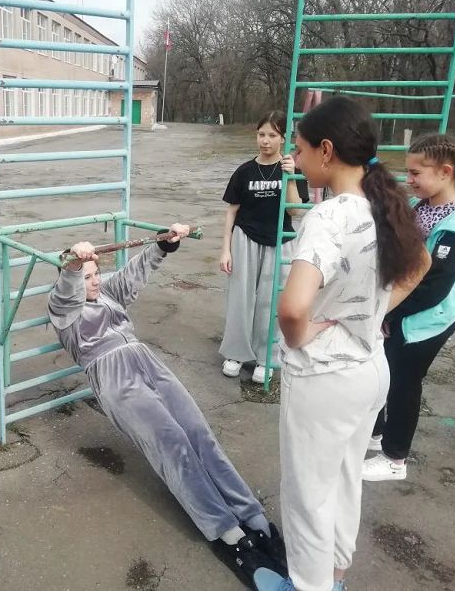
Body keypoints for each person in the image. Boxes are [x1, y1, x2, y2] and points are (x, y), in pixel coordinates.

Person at [253, 97, 430, 591]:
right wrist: (372, 312)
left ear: (326, 151)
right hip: (370, 369)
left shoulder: (329, 218)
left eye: (300, 148)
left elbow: (293, 309)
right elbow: (420, 265)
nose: (295, 156)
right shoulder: (384, 203)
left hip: (325, 378)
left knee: (308, 493)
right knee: (346, 479)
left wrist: (302, 334)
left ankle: (307, 586)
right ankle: (334, 577)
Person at [48, 226, 286, 587]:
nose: (94, 282)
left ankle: (253, 518)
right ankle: (227, 532)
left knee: (199, 434)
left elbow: (134, 273)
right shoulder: (63, 310)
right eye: (87, 277)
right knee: (172, 445)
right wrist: (73, 267)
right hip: (113, 375)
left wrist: (163, 244)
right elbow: (66, 291)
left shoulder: (107, 292)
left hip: (147, 361)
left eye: (96, 274)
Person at [363, 134, 455, 482]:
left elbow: (434, 289)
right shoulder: (424, 205)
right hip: (402, 313)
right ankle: (376, 432)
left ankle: (394, 458)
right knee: (384, 375)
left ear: (445, 172)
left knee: (404, 384)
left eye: (416, 173)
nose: (410, 179)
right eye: (408, 171)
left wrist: (389, 313)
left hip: (425, 322)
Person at [219, 111, 309, 384]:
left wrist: (290, 175)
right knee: (241, 298)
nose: (266, 141)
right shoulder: (244, 171)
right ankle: (235, 353)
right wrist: (226, 249)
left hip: (279, 241)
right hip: (245, 238)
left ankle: (265, 357)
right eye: (261, 134)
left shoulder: (292, 170)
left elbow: (295, 211)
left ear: (283, 138)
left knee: (271, 301)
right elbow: (232, 212)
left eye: (272, 135)